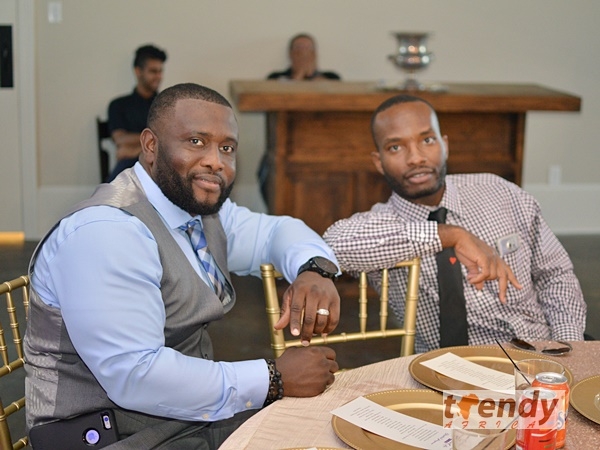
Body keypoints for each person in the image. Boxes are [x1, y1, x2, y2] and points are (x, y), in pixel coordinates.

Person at [25, 83, 341, 449]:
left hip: (189, 423)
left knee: (327, 428)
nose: (215, 161)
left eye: (227, 148)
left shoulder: (195, 211)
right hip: (110, 437)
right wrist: (273, 378)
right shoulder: (106, 231)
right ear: (150, 145)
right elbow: (136, 376)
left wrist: (315, 270)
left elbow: (275, 232)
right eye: (196, 142)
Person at [323, 94, 587, 354]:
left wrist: (569, 349)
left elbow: (555, 275)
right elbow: (335, 244)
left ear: (445, 145)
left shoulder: (500, 192)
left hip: (541, 352)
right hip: (446, 371)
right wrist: (451, 236)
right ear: (378, 162)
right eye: (395, 147)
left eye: (427, 140)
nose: (415, 158)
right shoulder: (381, 224)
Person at [106, 44, 167, 182]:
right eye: (153, 71)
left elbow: (171, 141)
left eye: (160, 71)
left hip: (161, 169)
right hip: (131, 169)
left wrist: (133, 150)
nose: (158, 76)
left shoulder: (167, 104)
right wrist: (156, 140)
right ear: (138, 71)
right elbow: (120, 140)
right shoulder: (118, 105)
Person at [267, 33, 341, 81]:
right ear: (290, 54)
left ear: (315, 54)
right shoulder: (275, 77)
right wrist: (299, 75)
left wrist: (313, 76)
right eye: (298, 48)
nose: (303, 53)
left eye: (308, 48)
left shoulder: (332, 77)